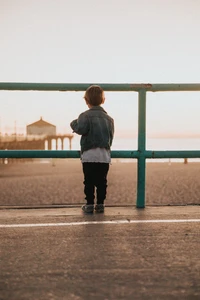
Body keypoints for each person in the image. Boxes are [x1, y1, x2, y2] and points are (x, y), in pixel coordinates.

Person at [70, 85, 114, 213]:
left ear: (86, 101)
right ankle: (100, 204)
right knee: (102, 182)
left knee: (88, 181)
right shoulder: (109, 119)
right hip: (104, 155)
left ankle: (89, 204)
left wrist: (73, 123)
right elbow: (110, 137)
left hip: (89, 154)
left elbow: (81, 129)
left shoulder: (84, 116)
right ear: (103, 100)